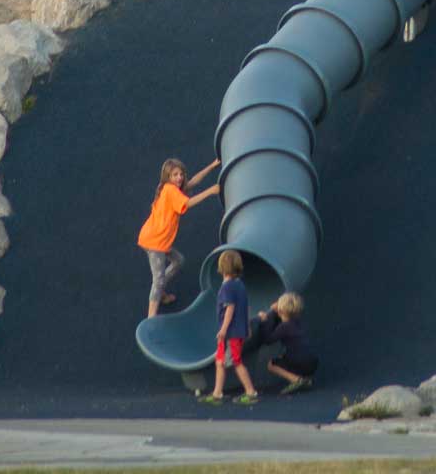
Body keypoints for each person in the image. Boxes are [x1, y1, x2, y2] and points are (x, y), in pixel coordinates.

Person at [136, 157, 220, 319]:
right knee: (158, 278)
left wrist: (212, 165)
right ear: (168, 177)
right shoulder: (170, 190)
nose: (179, 177)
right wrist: (210, 191)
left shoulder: (173, 188)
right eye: (175, 175)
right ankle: (151, 318)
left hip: (159, 240)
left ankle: (160, 292)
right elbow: (187, 204)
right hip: (154, 242)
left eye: (181, 174)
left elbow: (193, 181)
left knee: (178, 261)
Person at [201, 249, 259, 404]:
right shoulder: (239, 284)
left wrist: (223, 330)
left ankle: (251, 392)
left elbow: (230, 308)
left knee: (236, 361)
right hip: (235, 331)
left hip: (230, 333)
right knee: (220, 361)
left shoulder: (227, 287)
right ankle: (217, 393)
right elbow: (245, 307)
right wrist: (247, 326)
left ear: (222, 267)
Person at [252, 292, 319, 395]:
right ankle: (304, 378)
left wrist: (265, 320)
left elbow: (268, 340)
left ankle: (297, 380)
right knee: (287, 355)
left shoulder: (284, 327)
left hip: (301, 362)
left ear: (280, 310)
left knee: (272, 364)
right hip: (313, 362)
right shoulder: (297, 321)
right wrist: (277, 311)